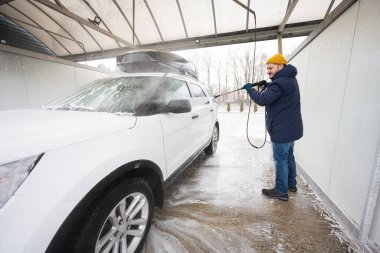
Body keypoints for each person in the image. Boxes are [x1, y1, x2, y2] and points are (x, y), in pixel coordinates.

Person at [242, 53, 303, 201]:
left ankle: (281, 191)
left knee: (280, 160)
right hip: (291, 128)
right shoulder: (289, 79)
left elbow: (263, 100)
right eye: (267, 68)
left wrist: (250, 90)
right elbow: (279, 91)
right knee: (289, 157)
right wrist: (268, 85)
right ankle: (291, 185)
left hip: (282, 130)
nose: (268, 71)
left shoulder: (279, 83)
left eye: (271, 68)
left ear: (280, 66)